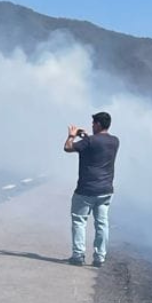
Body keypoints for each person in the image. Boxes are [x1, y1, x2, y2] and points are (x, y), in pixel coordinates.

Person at [63, 111, 120, 268]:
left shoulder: (89, 142)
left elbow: (67, 148)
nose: (92, 125)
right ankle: (100, 257)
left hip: (86, 190)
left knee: (79, 221)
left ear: (99, 124)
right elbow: (96, 145)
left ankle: (78, 255)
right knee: (102, 224)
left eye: (93, 123)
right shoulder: (115, 141)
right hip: (106, 190)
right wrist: (86, 137)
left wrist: (72, 135)